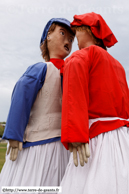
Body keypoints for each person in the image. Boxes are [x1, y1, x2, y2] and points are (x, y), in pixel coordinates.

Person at [59, 12, 129, 194]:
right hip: (122, 137)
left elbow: (74, 95)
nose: (75, 38)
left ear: (88, 31)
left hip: (96, 137)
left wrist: (75, 134)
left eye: (77, 32)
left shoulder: (82, 56)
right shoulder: (118, 65)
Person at [0, 18, 74, 188]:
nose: (68, 41)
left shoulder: (72, 73)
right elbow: (21, 97)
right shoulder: (41, 69)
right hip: (39, 145)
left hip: (63, 147)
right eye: (62, 34)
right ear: (48, 36)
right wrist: (14, 133)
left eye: (71, 39)